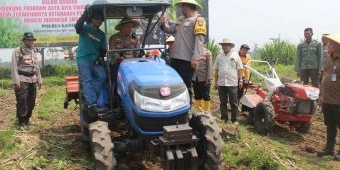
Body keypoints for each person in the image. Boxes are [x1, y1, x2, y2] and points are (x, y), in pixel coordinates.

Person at [159, 0, 206, 105]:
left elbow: (199, 41)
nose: (181, 9)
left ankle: (187, 106)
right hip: (176, 57)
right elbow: (169, 29)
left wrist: (195, 58)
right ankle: (174, 104)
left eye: (182, 6)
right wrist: (162, 23)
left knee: (185, 83)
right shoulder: (180, 19)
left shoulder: (198, 20)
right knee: (173, 82)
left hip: (188, 59)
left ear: (188, 7)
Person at [75, 7, 107, 113]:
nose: (99, 21)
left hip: (94, 60)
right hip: (83, 58)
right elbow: (77, 26)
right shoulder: (85, 28)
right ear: (92, 19)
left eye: (101, 19)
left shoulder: (102, 34)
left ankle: (90, 98)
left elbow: (103, 50)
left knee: (102, 76)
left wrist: (99, 58)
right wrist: (85, 14)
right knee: (87, 80)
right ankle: (92, 104)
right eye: (97, 18)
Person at [11, 32, 42, 131]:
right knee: (22, 101)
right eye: (28, 40)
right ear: (24, 41)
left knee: (31, 102)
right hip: (22, 79)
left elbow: (37, 67)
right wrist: (16, 81)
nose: (30, 41)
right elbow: (14, 66)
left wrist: (39, 79)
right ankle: (21, 122)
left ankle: (27, 118)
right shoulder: (18, 51)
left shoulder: (34, 52)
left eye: (31, 40)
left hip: (32, 80)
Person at [317, 33, 340, 160]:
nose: (327, 46)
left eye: (330, 44)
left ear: (337, 46)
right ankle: (329, 148)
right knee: (330, 124)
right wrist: (321, 95)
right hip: (328, 99)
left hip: (338, 99)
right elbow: (324, 77)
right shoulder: (328, 58)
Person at [214, 38, 243, 124]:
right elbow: (216, 70)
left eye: (226, 45)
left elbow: (240, 68)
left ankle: (234, 119)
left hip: (232, 82)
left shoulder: (235, 55)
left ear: (230, 46)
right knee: (223, 102)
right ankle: (224, 117)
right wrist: (216, 82)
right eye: (223, 45)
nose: (224, 47)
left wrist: (240, 80)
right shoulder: (219, 56)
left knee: (233, 102)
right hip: (222, 83)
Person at [192, 46, 213, 113]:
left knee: (206, 95)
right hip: (195, 78)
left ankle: (207, 111)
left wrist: (208, 79)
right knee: (197, 94)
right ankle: (198, 110)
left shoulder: (207, 52)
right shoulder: (192, 51)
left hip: (204, 78)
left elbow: (210, 66)